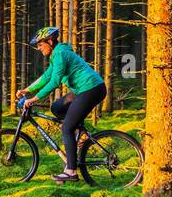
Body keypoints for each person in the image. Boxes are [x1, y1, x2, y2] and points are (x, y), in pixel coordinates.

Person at [16, 25, 106, 183]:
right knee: (57, 107)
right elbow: (46, 77)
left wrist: (34, 99)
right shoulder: (56, 56)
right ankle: (80, 132)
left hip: (91, 88)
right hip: (83, 89)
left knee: (66, 128)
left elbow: (55, 82)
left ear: (50, 41)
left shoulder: (60, 54)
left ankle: (71, 171)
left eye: (40, 45)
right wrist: (26, 90)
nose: (39, 48)